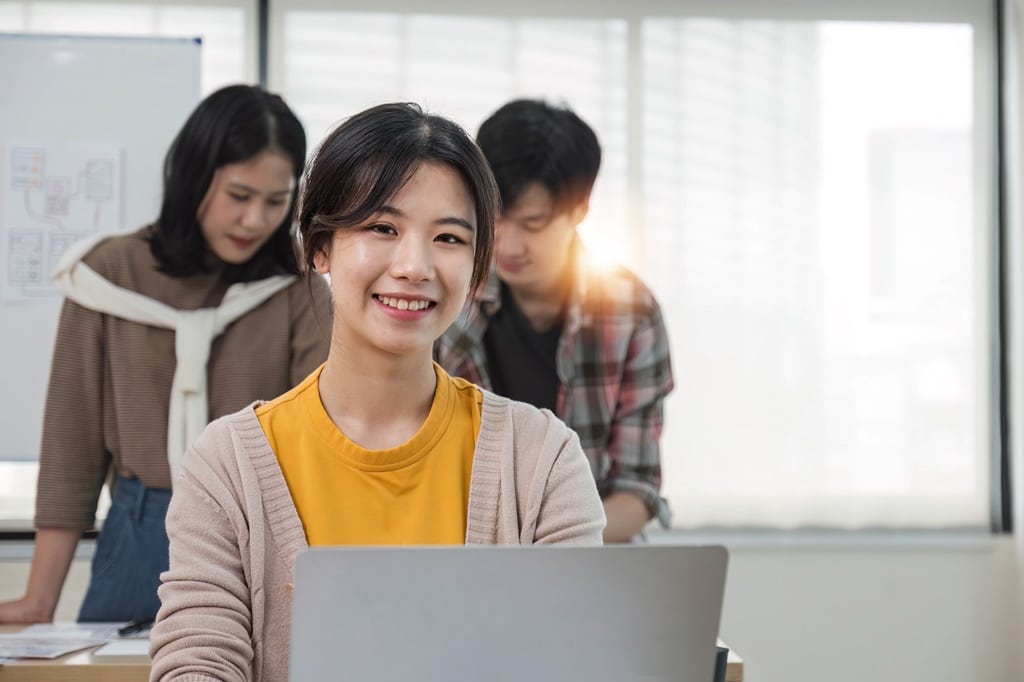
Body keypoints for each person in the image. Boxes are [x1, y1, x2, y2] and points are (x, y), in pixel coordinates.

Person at [148, 102, 605, 680]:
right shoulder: (227, 466)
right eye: (381, 228)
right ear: (319, 247)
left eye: (448, 237)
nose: (414, 266)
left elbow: (577, 662)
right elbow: (196, 664)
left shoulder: (541, 458)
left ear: (476, 269)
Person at [0, 84, 330, 625]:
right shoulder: (105, 277)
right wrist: (39, 600)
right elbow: (72, 444)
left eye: (276, 202)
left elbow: (316, 445)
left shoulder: (298, 288)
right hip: (137, 530)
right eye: (239, 196)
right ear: (194, 178)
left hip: (261, 531)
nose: (255, 221)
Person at [436, 99, 675, 542]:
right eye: (496, 217)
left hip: (590, 559)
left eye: (533, 222)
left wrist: (556, 552)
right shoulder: (448, 295)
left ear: (579, 209)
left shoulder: (632, 312)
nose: (507, 243)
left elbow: (637, 490)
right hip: (465, 554)